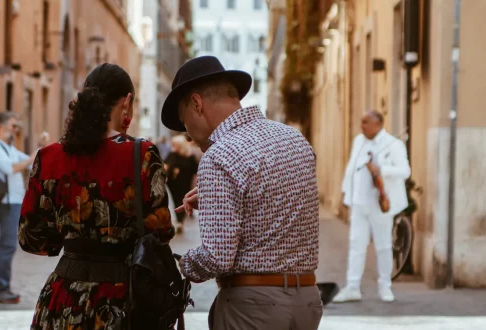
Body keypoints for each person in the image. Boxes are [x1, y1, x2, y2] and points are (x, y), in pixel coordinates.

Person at [161, 55, 322, 330]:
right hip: (307, 301)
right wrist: (224, 201)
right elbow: (281, 209)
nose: (187, 136)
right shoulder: (295, 140)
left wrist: (181, 265)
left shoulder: (218, 156)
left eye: (183, 121)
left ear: (197, 104)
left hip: (253, 309)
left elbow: (217, 257)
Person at [19, 63, 174, 328]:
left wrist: (71, 235)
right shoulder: (143, 154)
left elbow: (30, 238)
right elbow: (159, 233)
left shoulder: (49, 157)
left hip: (64, 296)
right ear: (126, 102)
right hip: (121, 299)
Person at [333, 110, 410, 303]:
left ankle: (385, 286)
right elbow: (352, 167)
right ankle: (352, 287)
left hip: (380, 202)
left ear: (377, 124)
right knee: (356, 245)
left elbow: (405, 171)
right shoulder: (359, 141)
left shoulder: (394, 144)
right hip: (359, 202)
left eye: (365, 122)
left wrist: (382, 169)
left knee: (383, 246)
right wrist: (346, 191)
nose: (362, 126)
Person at [0, 112, 37, 303]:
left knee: (8, 245)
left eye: (17, 127)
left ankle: (1, 287)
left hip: (15, 201)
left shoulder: (9, 148)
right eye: (13, 126)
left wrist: (39, 151)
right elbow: (10, 168)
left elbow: (30, 163)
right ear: (0, 124)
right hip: (5, 203)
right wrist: (30, 159)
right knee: (7, 246)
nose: (16, 130)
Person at [164, 134, 198, 233]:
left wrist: (195, 182)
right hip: (173, 184)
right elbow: (166, 166)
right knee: (176, 200)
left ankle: (180, 220)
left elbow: (195, 170)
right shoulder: (172, 154)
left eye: (175, 144)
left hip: (186, 182)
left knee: (182, 199)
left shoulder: (190, 156)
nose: (173, 146)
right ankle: (179, 221)